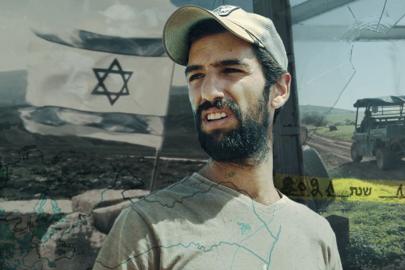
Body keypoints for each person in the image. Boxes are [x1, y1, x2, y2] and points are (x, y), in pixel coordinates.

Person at [93, 5, 342, 270]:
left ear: (279, 89)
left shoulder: (317, 235)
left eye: (231, 70)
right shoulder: (146, 229)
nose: (209, 92)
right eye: (197, 75)